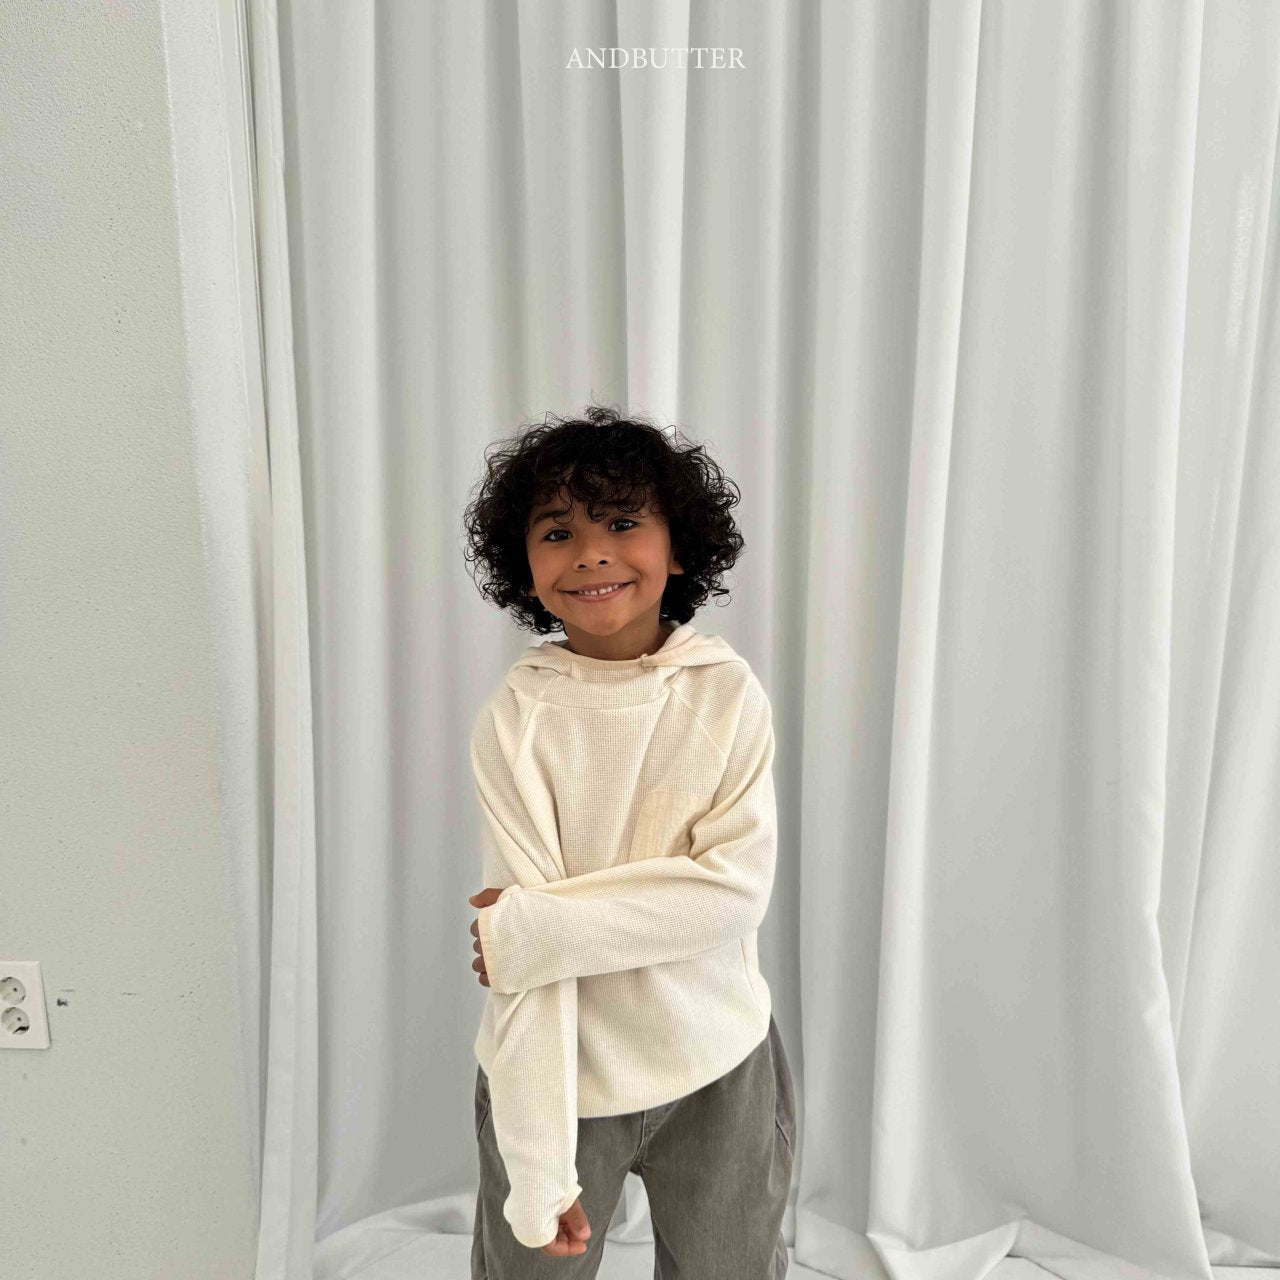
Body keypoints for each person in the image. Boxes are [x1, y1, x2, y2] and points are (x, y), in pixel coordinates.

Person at [460, 404, 794, 1278]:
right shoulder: (515, 719)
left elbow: (732, 896)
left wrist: (530, 929)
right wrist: (538, 1164)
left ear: (677, 547)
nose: (590, 553)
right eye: (557, 532)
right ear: (525, 565)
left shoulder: (725, 694)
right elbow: (529, 978)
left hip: (717, 1060)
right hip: (557, 1078)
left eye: (620, 523)